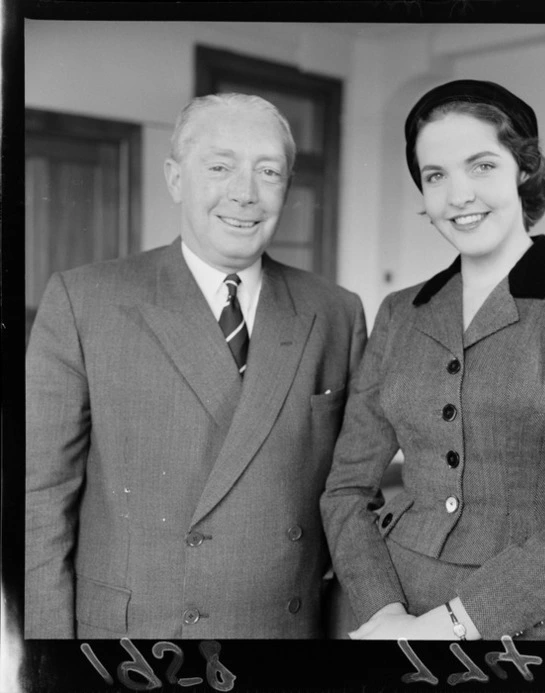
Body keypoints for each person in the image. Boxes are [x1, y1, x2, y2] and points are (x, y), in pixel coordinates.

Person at [25, 93, 367, 639]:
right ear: (176, 178)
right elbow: (38, 498)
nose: (245, 194)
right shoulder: (84, 299)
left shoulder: (336, 311)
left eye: (268, 172)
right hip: (138, 640)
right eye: (220, 167)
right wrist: (44, 663)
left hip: (284, 634)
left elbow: (352, 494)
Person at [320, 79, 545, 641]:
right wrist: (380, 610)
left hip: (522, 618)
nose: (458, 195)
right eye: (436, 175)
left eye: (481, 166)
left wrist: (454, 624)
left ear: (523, 168)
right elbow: (345, 487)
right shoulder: (401, 312)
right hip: (382, 607)